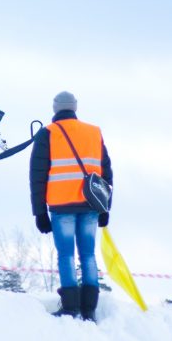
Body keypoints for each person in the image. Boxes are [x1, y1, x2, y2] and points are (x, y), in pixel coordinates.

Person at [29, 91, 113, 321]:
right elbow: (107, 172)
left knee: (65, 255)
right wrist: (106, 207)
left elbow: (37, 176)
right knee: (88, 254)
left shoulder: (48, 133)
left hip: (61, 204)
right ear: (74, 108)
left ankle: (70, 307)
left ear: (55, 108)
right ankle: (89, 308)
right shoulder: (94, 132)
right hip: (90, 204)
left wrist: (39, 212)